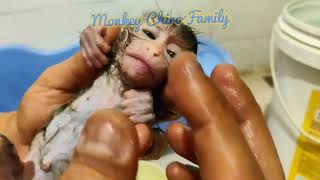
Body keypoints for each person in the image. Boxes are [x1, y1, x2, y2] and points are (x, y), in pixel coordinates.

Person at [0, 30, 285, 180]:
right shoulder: (100, 66)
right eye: (149, 34)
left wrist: (150, 129)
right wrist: (90, 39)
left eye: (171, 53)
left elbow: (158, 142)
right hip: (21, 163)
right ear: (124, 40)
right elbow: (96, 38)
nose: (155, 49)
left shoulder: (149, 105)